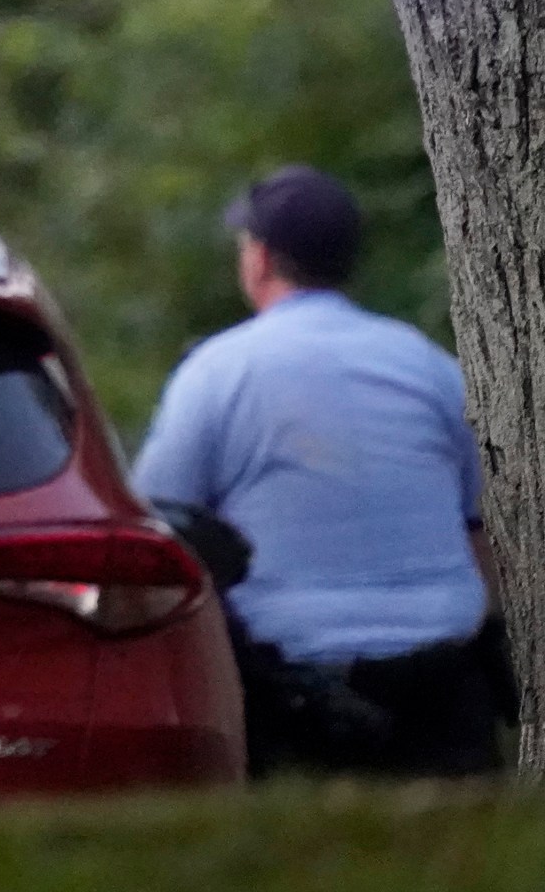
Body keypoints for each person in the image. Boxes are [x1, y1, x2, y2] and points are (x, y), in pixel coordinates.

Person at [134, 165, 511, 777]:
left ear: (258, 259)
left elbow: (155, 530)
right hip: (446, 695)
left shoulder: (217, 373)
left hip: (298, 702)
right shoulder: (429, 367)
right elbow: (476, 533)